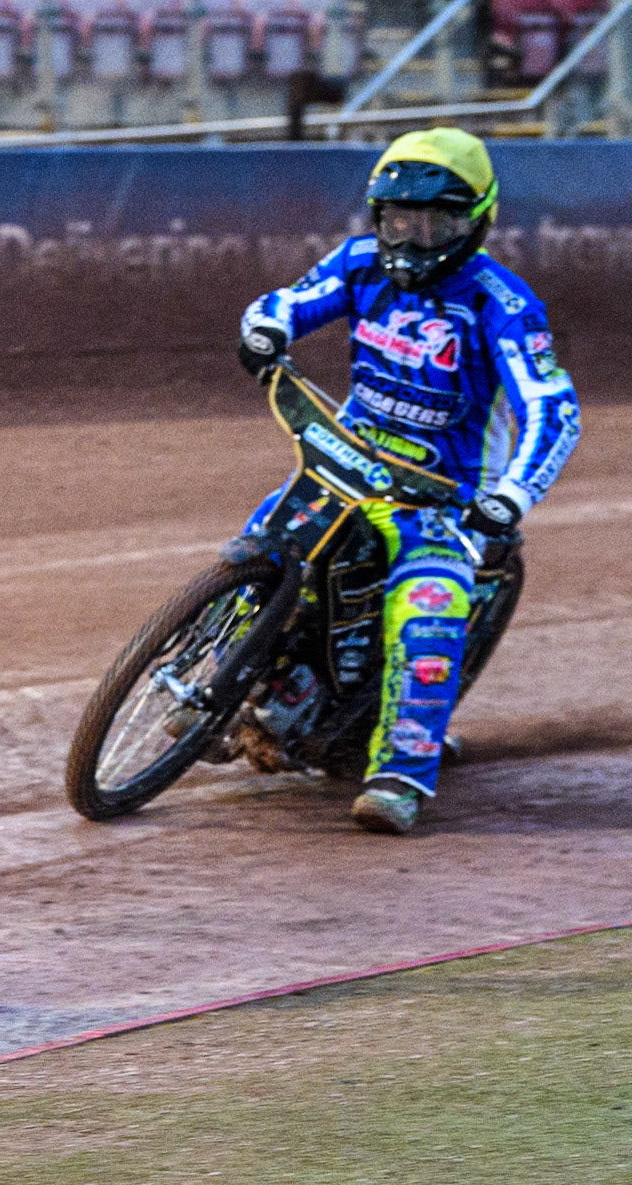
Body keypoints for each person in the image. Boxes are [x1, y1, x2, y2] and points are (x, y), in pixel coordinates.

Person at [234, 128, 579, 835]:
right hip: (344, 461)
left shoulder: (502, 303)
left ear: (476, 220)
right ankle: (222, 682)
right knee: (262, 542)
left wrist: (510, 497)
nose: (415, 239)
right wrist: (266, 329)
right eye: (399, 220)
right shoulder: (359, 263)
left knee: (428, 609)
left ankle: (399, 773)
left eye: (437, 223)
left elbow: (553, 409)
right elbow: (289, 301)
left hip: (443, 496)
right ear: (378, 216)